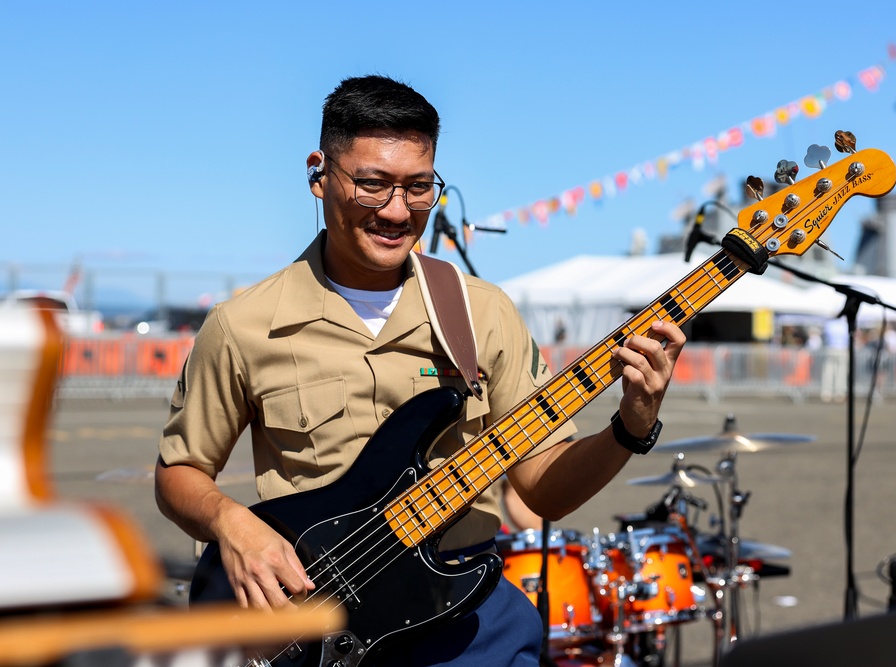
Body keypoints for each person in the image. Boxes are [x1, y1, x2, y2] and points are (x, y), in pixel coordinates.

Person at [154, 74, 684, 666]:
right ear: (319, 173)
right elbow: (179, 472)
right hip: (307, 628)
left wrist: (629, 427)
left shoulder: (482, 312)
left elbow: (543, 490)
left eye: (419, 187)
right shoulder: (242, 325)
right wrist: (230, 523)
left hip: (461, 623)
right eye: (373, 185)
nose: (397, 211)